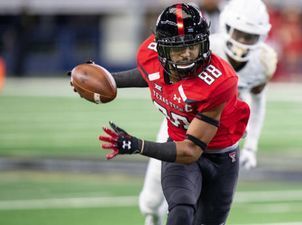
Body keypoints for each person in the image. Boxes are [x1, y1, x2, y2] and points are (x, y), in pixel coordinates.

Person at [71, 3, 250, 225]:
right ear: (162, 49)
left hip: (219, 155)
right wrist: (105, 80)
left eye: (192, 46)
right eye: (177, 48)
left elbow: (191, 150)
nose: (186, 54)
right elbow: (150, 74)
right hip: (178, 144)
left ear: (204, 43)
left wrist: (137, 145)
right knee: (181, 209)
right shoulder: (149, 55)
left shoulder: (219, 81)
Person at [138, 0, 277, 224]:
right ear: (227, 26)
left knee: (202, 208)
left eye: (249, 36)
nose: (242, 41)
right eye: (239, 33)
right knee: (152, 199)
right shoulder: (202, 46)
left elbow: (258, 101)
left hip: (218, 140)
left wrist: (251, 145)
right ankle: (152, 218)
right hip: (180, 125)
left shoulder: (262, 62)